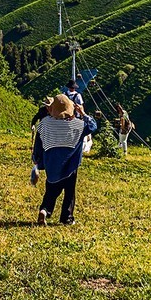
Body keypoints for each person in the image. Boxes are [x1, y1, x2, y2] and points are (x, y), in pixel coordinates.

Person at [32, 94, 99, 226]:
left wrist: (36, 160)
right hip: (70, 165)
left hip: (52, 165)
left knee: (51, 191)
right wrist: (83, 113)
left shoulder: (45, 124)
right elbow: (92, 126)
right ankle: (67, 218)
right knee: (69, 193)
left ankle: (44, 210)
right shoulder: (77, 126)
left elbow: (38, 144)